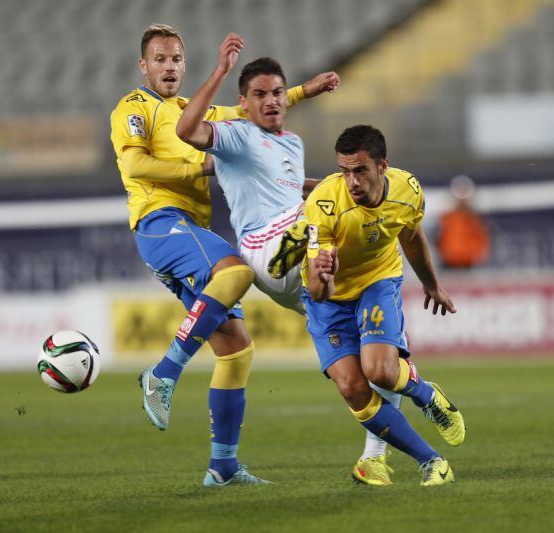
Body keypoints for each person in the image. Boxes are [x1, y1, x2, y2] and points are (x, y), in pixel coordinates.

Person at [109, 24, 336, 487]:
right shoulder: (133, 107)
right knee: (236, 271)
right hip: (160, 220)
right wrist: (200, 165)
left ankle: (223, 467)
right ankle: (163, 373)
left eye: (176, 59)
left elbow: (250, 107)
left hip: (191, 228)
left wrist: (305, 91)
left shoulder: (196, 109)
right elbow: (134, 163)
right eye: (159, 59)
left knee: (236, 350)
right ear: (143, 66)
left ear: (184, 64)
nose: (169, 67)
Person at [176, 41, 408, 486]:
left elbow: (293, 188)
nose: (271, 101)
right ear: (243, 102)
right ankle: (319, 242)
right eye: (260, 95)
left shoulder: (292, 143)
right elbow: (187, 129)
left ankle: (374, 457)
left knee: (374, 363)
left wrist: (336, 186)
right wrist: (221, 69)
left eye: (278, 93)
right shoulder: (236, 135)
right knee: (334, 219)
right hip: (266, 249)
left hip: (305, 271)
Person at [302, 125, 465, 487]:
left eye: (360, 170)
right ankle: (432, 460)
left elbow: (411, 235)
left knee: (379, 372)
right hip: (330, 297)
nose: (352, 181)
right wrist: (324, 275)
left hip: (377, 280)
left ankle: (426, 395)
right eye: (345, 171)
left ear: (382, 166)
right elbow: (316, 291)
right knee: (352, 389)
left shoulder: (408, 190)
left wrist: (431, 284)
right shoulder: (324, 205)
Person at [437, 175, 490, 269]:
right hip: (448, 264)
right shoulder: (445, 219)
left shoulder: (476, 220)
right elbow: (438, 241)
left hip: (469, 265)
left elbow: (483, 243)